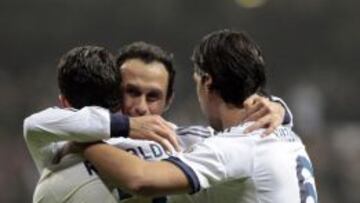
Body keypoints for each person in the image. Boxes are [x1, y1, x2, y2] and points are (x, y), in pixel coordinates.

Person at [24, 42, 290, 203]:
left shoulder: (188, 141)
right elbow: (35, 124)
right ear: (115, 89)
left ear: (168, 101)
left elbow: (247, 139)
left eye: (153, 96)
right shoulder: (63, 142)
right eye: (132, 91)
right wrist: (123, 126)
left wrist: (279, 109)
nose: (140, 106)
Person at [80, 30, 318, 203]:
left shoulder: (234, 146)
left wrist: (85, 136)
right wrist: (279, 105)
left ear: (207, 82)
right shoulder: (283, 131)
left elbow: (140, 180)